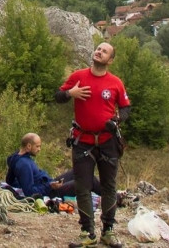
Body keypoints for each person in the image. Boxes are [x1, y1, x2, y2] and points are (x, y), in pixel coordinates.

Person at [55, 42, 131, 247]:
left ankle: (108, 231)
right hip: (83, 141)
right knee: (83, 187)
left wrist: (116, 121)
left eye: (104, 51)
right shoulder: (78, 76)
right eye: (98, 49)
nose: (99, 52)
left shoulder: (116, 82)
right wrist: (71, 93)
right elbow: (58, 96)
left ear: (110, 60)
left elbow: (126, 108)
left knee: (108, 186)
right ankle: (87, 232)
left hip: (108, 141)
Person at [4, 132, 100, 198]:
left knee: (79, 171)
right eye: (37, 146)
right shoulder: (24, 165)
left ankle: (109, 195)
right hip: (51, 192)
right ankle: (111, 197)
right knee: (88, 180)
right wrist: (50, 186)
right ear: (29, 146)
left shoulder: (16, 157)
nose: (39, 149)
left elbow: (9, 180)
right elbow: (29, 193)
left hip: (49, 184)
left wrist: (18, 183)